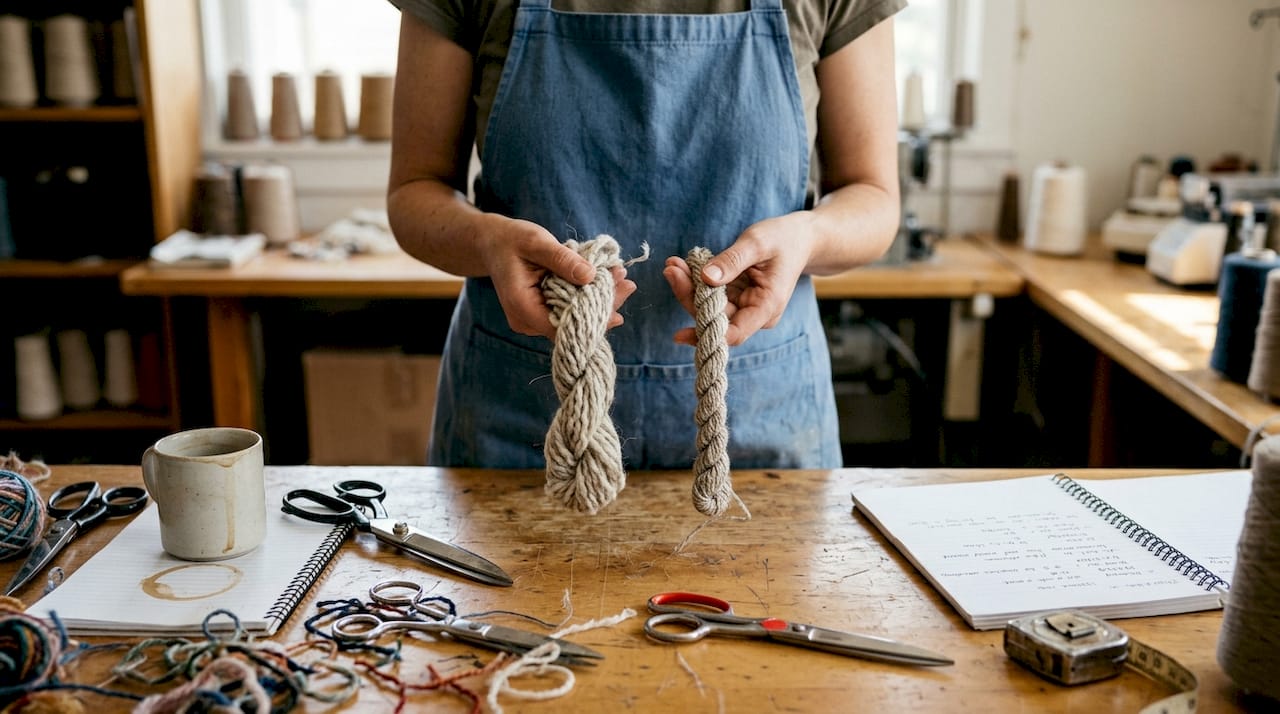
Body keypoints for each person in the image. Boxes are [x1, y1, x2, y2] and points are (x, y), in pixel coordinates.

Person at [386, 0, 903, 470]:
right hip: (525, 421)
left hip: (759, 423)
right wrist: (486, 241)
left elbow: (873, 197)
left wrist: (807, 236)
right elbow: (416, 191)